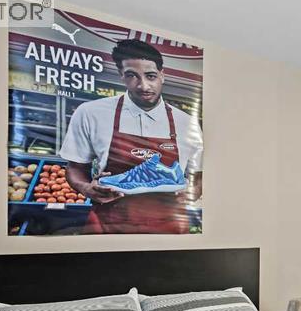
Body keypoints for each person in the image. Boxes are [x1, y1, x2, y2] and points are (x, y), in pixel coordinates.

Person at [59, 39, 203, 234]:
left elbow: (200, 176)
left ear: (162, 75)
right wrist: (85, 188)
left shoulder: (186, 123)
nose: (143, 86)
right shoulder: (90, 113)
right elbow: (75, 168)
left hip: (169, 230)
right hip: (108, 227)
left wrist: (194, 192)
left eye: (151, 76)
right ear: (121, 76)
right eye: (132, 76)